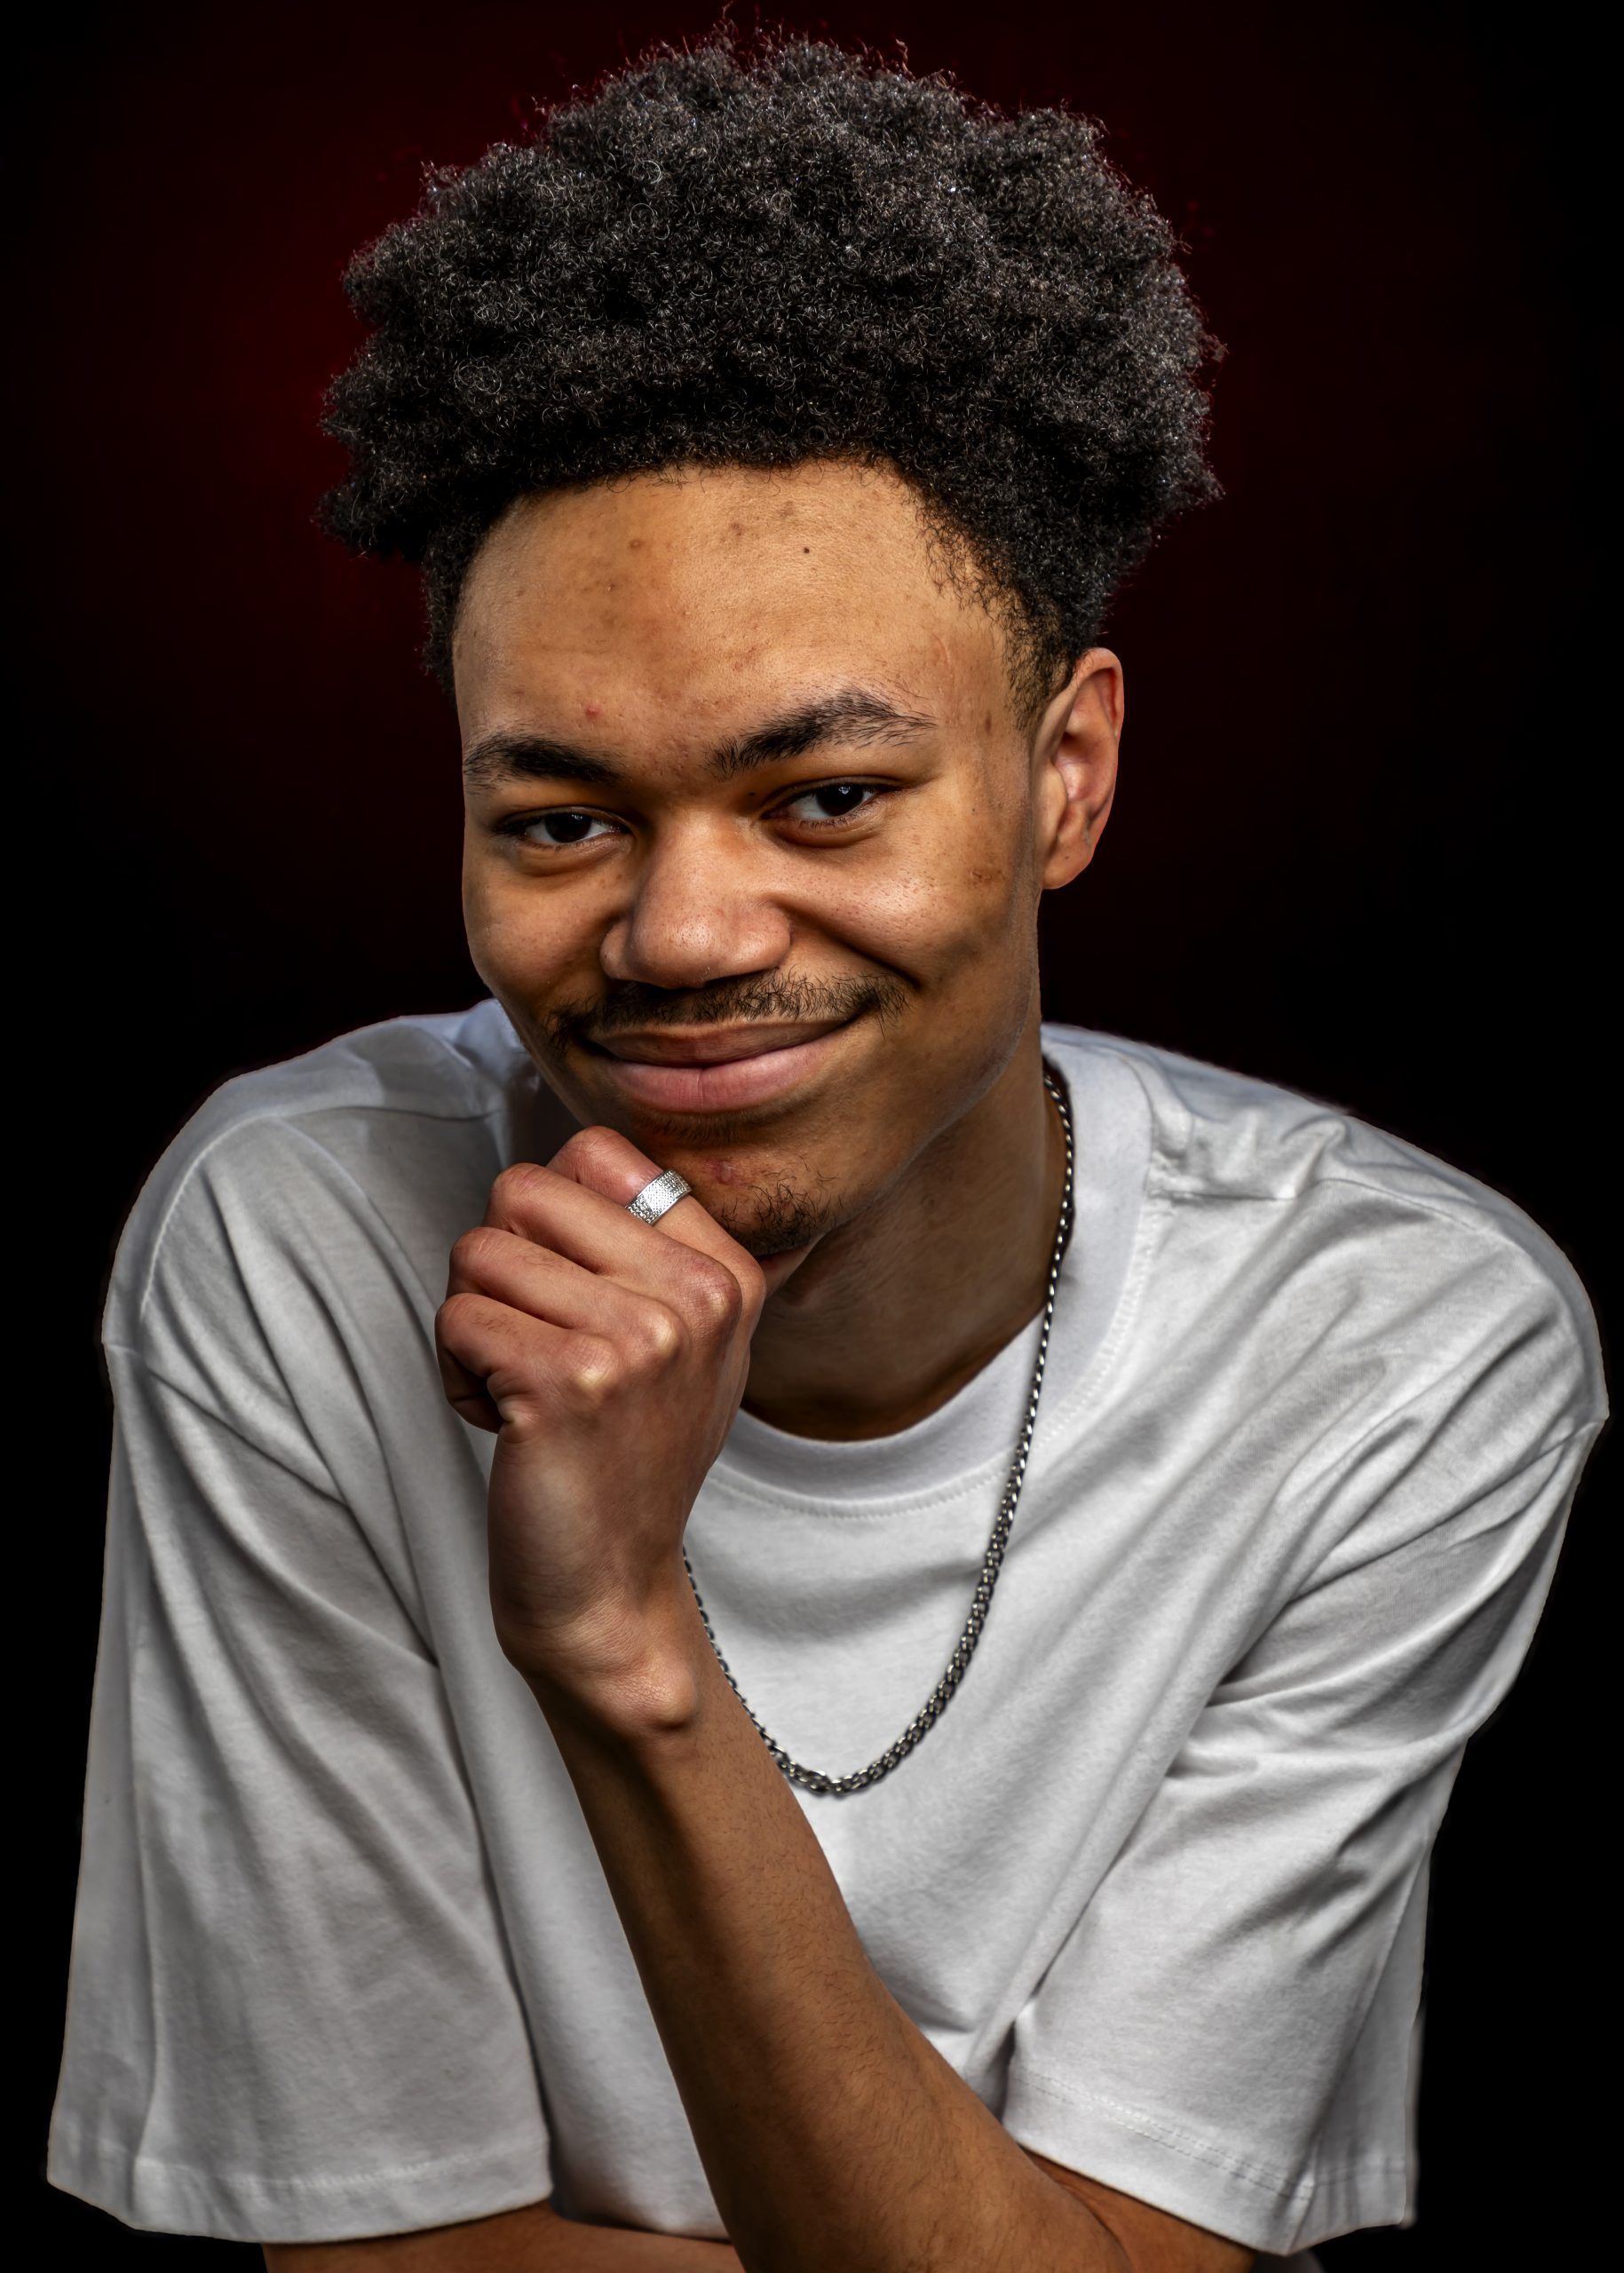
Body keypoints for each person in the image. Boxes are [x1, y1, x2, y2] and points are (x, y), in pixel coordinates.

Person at [49, 36, 1604, 2273]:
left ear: (1064, 773)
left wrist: (625, 1647)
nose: (681, 934)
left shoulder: (1392, 1343)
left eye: (827, 798)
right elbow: (386, 2254)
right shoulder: (295, 1239)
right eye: (560, 815)